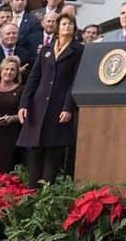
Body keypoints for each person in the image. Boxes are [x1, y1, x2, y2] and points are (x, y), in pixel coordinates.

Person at [17, 12, 84, 185]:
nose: (66, 27)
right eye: (63, 24)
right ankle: (31, 190)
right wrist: (24, 103)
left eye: (70, 24)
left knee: (53, 150)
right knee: (34, 148)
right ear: (57, 28)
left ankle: (47, 191)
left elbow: (76, 81)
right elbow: (33, 78)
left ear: (74, 28)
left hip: (59, 105)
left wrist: (68, 107)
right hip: (38, 105)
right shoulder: (46, 49)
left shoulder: (79, 50)